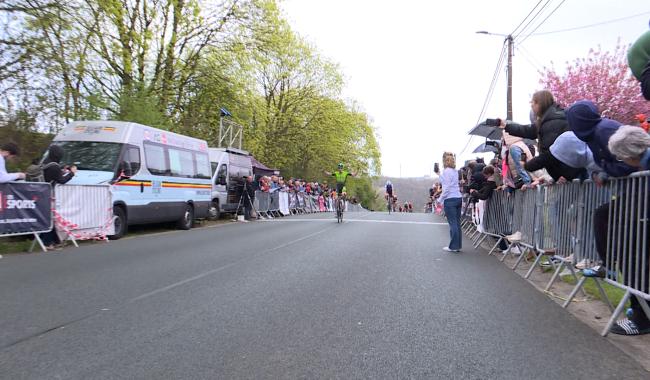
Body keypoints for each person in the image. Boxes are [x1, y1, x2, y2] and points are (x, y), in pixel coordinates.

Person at [499, 90, 568, 155]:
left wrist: (529, 165)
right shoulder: (546, 120)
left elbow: (549, 155)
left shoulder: (552, 122)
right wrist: (506, 125)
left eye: (533, 102)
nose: (531, 105)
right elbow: (526, 130)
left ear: (540, 103)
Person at [524, 131, 601, 183]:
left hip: (580, 176)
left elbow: (537, 163)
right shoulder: (569, 136)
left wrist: (524, 164)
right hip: (581, 175)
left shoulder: (554, 151)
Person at [40, 145, 76, 249]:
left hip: (40, 193)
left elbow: (54, 175)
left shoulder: (45, 163)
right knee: (49, 219)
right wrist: (71, 174)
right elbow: (62, 180)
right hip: (48, 194)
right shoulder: (54, 166)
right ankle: (48, 242)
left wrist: (63, 171)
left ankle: (55, 241)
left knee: (47, 217)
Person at [439, 152, 463, 253]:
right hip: (458, 197)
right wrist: (439, 174)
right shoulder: (455, 171)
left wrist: (440, 199)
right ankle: (457, 245)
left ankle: (453, 246)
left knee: (452, 223)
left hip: (450, 199)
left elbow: (447, 187)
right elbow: (447, 183)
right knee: (457, 223)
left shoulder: (446, 171)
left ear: (445, 161)